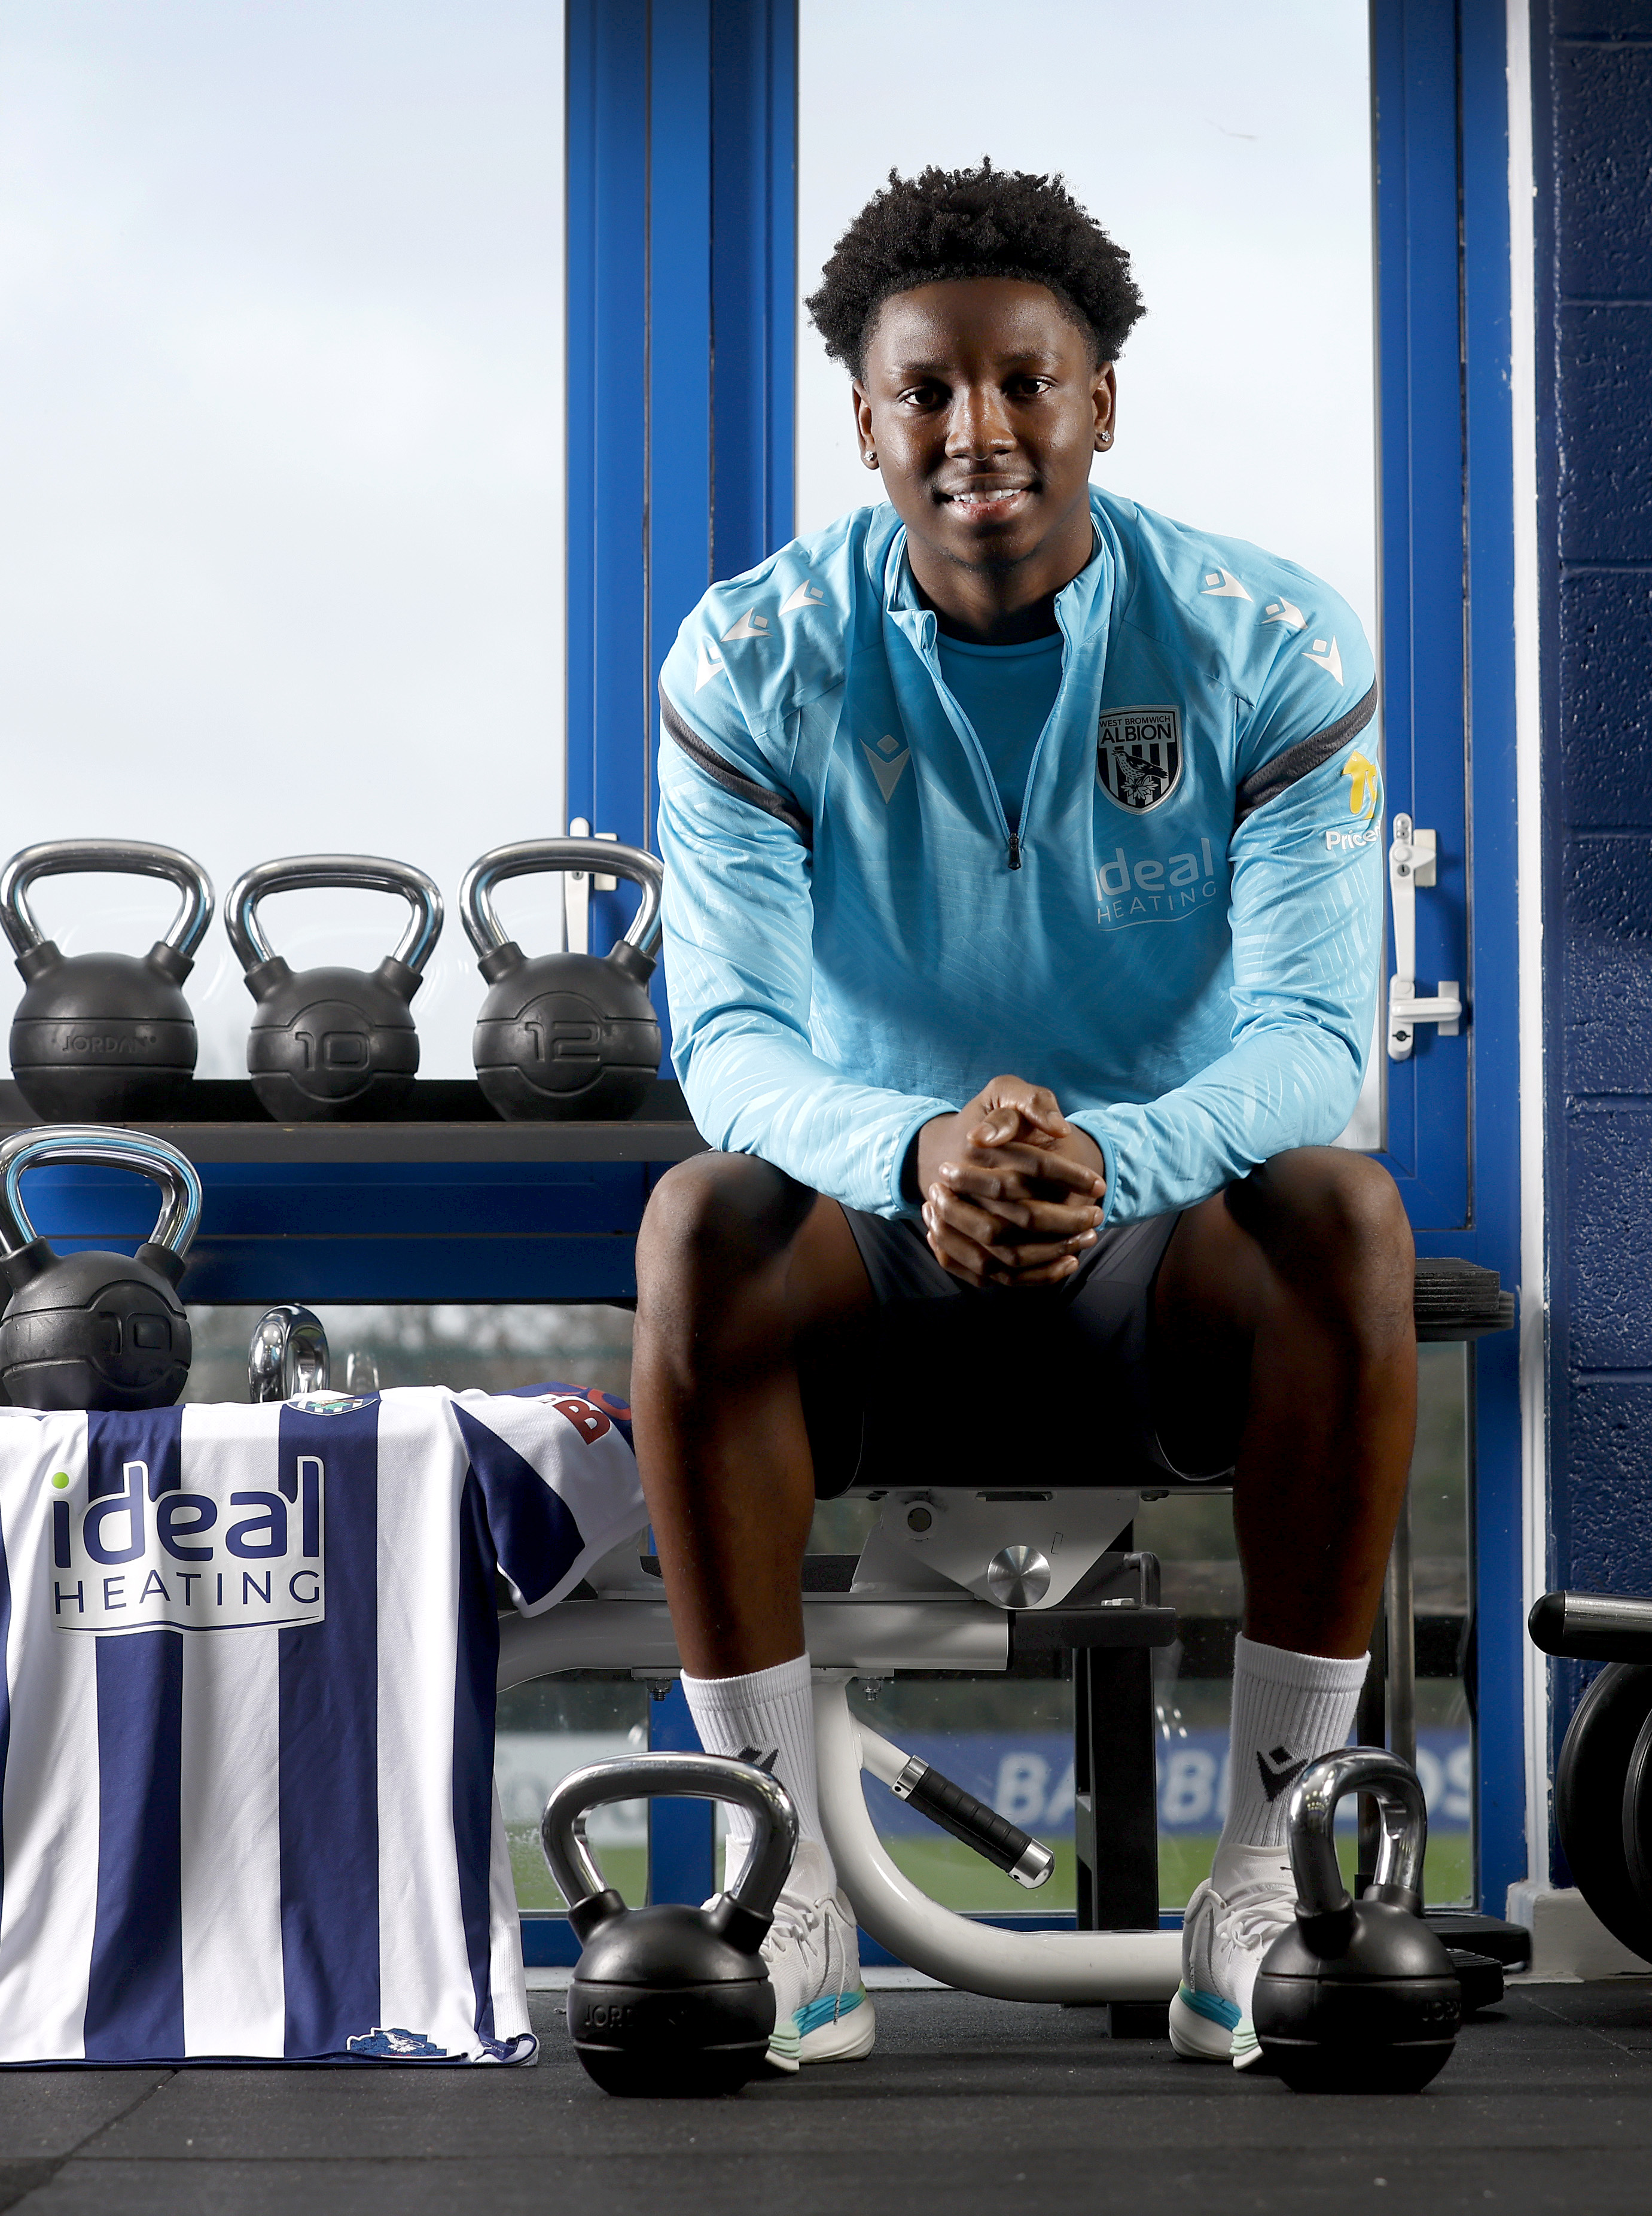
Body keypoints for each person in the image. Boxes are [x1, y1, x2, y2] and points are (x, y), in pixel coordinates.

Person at [636, 162, 1415, 2071]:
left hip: (1159, 1251)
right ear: (867, 417)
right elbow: (726, 1037)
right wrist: (918, 1155)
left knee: (1347, 1217)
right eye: (929, 390)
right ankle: (785, 1886)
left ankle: (1270, 1873)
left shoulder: (1273, 642)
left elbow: (1321, 1035)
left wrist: (1099, 1157)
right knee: (695, 1220)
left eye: (1024, 383)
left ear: (1099, 400)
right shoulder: (748, 658)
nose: (978, 431)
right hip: (867, 1251)